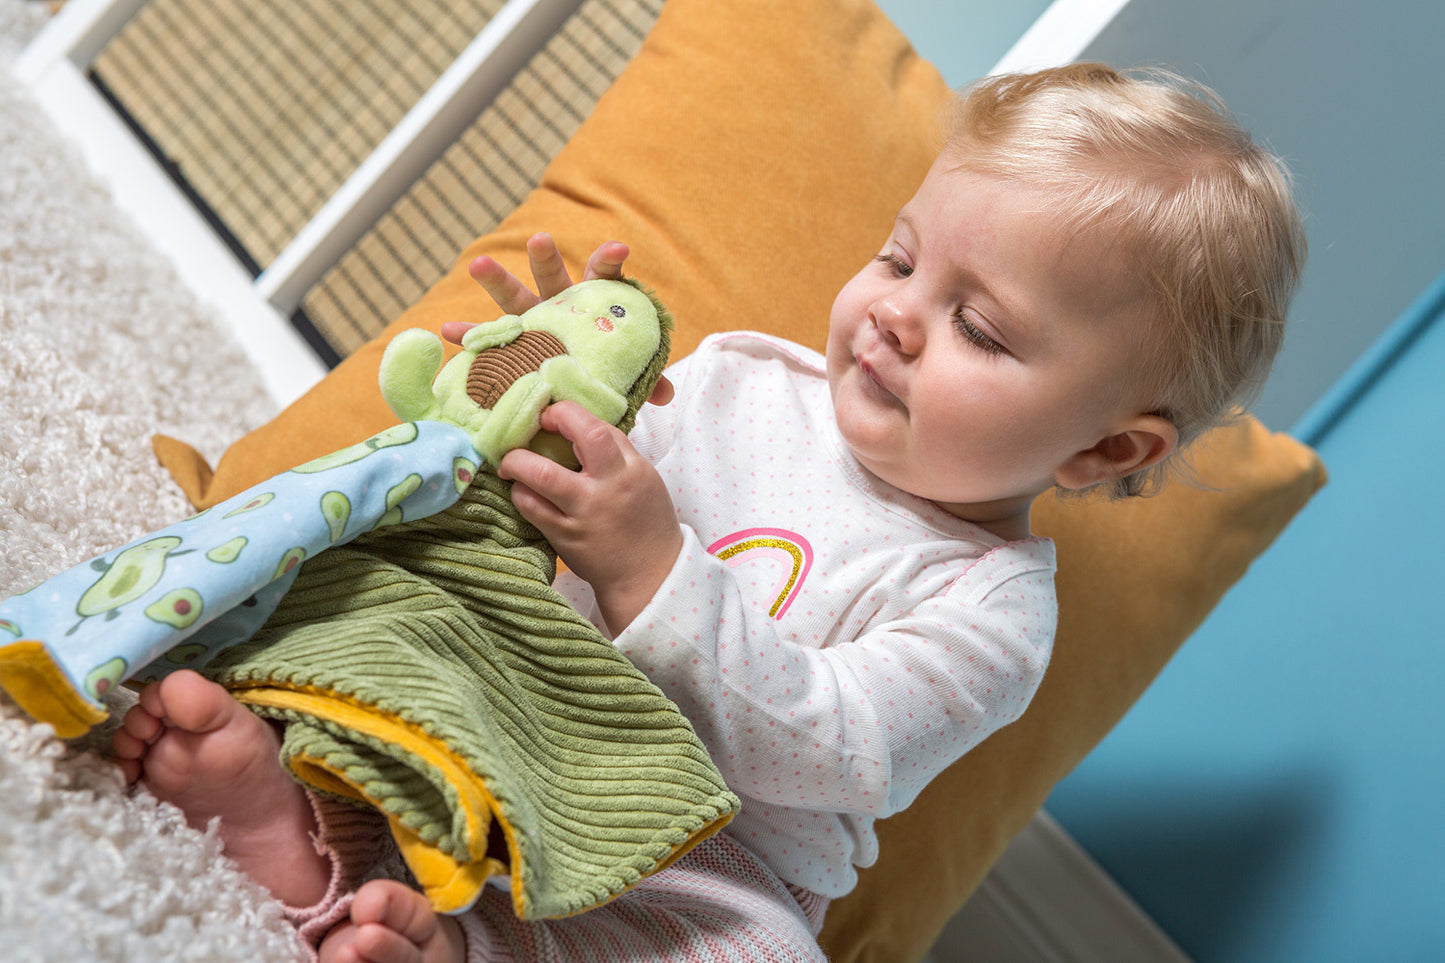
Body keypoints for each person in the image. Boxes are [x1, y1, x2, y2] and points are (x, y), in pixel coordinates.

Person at [111, 63, 1305, 963]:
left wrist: (653, 571)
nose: (893, 316)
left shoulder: (989, 611)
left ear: (1102, 448)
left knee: (754, 953)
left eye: (979, 328)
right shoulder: (735, 376)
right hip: (513, 700)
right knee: (377, 623)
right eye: (897, 262)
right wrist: (534, 388)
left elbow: (835, 749)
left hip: (695, 847)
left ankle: (432, 934)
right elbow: (528, 517)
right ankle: (296, 816)